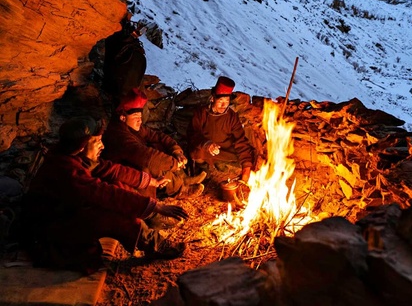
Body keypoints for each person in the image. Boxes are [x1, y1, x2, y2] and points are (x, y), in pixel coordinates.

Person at [20, 116, 189, 275]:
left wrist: (150, 182)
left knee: (120, 187)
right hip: (50, 229)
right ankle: (154, 244)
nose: (102, 146)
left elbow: (112, 170)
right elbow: (103, 193)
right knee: (114, 215)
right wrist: (155, 206)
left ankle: (150, 237)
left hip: (67, 212)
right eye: (97, 142)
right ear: (82, 146)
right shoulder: (66, 170)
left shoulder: (73, 156)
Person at [102, 88, 205, 199]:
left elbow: (158, 136)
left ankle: (183, 179)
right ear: (123, 117)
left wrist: (176, 152)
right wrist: (174, 164)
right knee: (151, 164)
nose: (139, 121)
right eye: (135, 117)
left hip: (134, 164)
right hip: (121, 174)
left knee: (158, 145)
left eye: (140, 117)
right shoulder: (118, 134)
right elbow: (146, 156)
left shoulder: (135, 128)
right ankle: (180, 190)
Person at [186, 76, 254, 183]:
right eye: (220, 101)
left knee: (251, 155)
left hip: (224, 150)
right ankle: (204, 169)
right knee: (196, 151)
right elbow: (193, 133)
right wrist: (207, 144)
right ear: (213, 98)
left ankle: (222, 165)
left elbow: (240, 140)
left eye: (227, 101)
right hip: (206, 149)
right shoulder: (202, 113)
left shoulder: (231, 116)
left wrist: (246, 167)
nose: (224, 105)